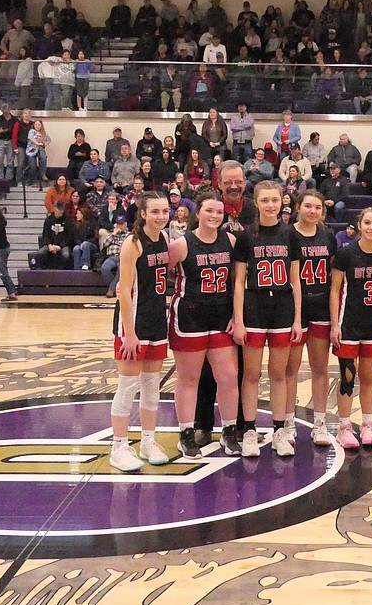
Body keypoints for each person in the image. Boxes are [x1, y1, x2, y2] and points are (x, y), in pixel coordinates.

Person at [167, 193, 242, 458]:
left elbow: (237, 281)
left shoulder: (230, 240)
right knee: (190, 379)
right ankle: (186, 434)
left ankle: (229, 430)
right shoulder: (182, 244)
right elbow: (159, 270)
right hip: (190, 315)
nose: (214, 216)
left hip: (222, 316)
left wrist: (237, 315)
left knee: (229, 377)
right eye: (209, 210)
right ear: (197, 212)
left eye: (219, 212)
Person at [231, 181, 302, 459]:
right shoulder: (247, 237)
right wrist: (238, 319)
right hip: (254, 307)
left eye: (275, 200)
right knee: (251, 374)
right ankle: (249, 431)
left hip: (283, 306)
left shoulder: (290, 235)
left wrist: (297, 319)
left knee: (278, 373)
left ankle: (279, 432)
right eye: (265, 201)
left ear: (282, 202)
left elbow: (295, 280)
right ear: (256, 203)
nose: (270, 205)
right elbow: (238, 282)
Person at [108, 192, 174, 472]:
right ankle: (119, 446)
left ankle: (148, 440)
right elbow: (123, 291)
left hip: (157, 318)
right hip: (133, 321)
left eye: (165, 211)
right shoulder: (132, 244)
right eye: (155, 211)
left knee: (151, 383)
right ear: (143, 213)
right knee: (128, 385)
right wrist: (129, 333)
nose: (161, 216)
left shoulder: (165, 239)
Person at [329, 206, 372, 449]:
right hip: (348, 324)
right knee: (347, 378)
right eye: (367, 223)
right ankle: (344, 427)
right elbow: (334, 290)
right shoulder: (346, 254)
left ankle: (367, 425)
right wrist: (335, 324)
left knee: (368, 377)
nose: (371, 227)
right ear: (359, 225)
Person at [285, 192, 338, 448]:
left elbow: (333, 272)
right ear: (298, 207)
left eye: (317, 207)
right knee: (290, 369)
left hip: (321, 306)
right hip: (296, 306)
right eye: (308, 206)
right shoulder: (287, 234)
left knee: (320, 368)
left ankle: (319, 424)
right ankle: (287, 423)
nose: (312, 211)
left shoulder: (327, 235)